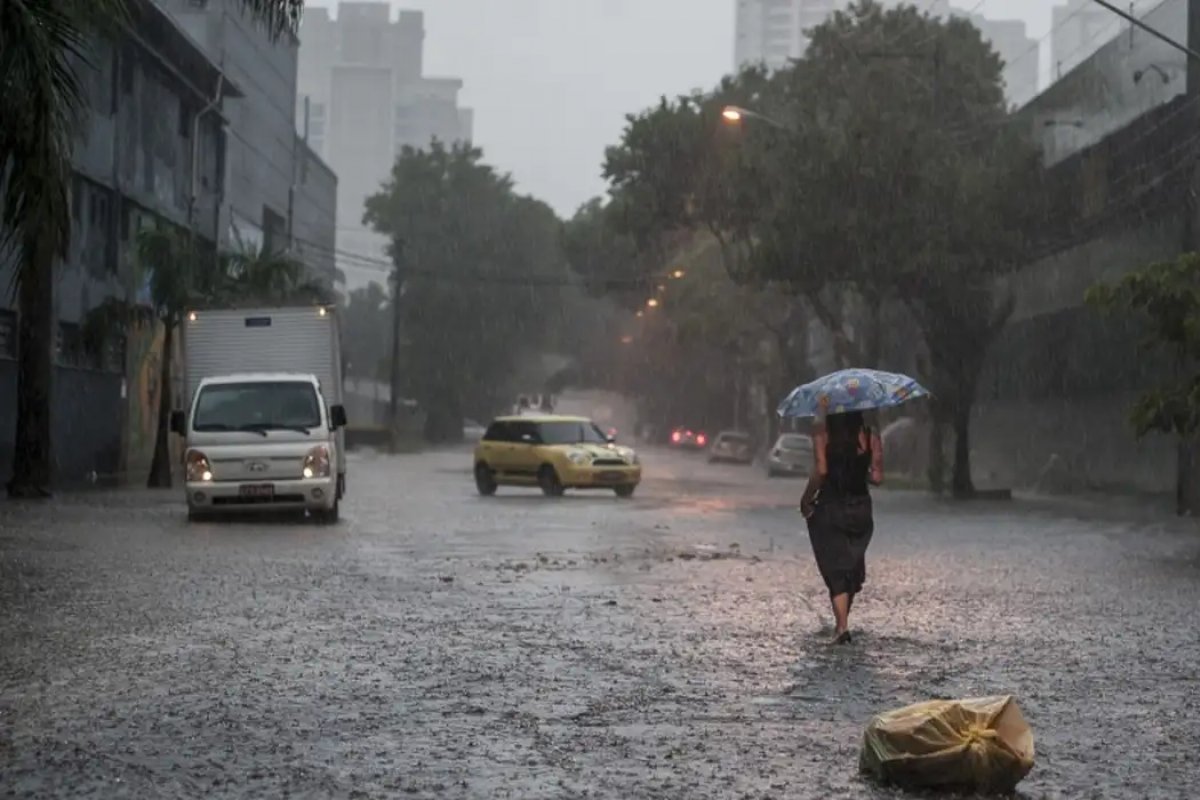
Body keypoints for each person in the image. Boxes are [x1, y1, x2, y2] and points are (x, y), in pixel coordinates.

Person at [800, 410, 884, 645]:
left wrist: (806, 498)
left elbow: (821, 470)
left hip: (831, 506)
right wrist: (858, 468)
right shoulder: (869, 436)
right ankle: (843, 621)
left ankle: (841, 627)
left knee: (835, 566)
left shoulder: (822, 434)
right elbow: (877, 478)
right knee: (851, 565)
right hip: (860, 508)